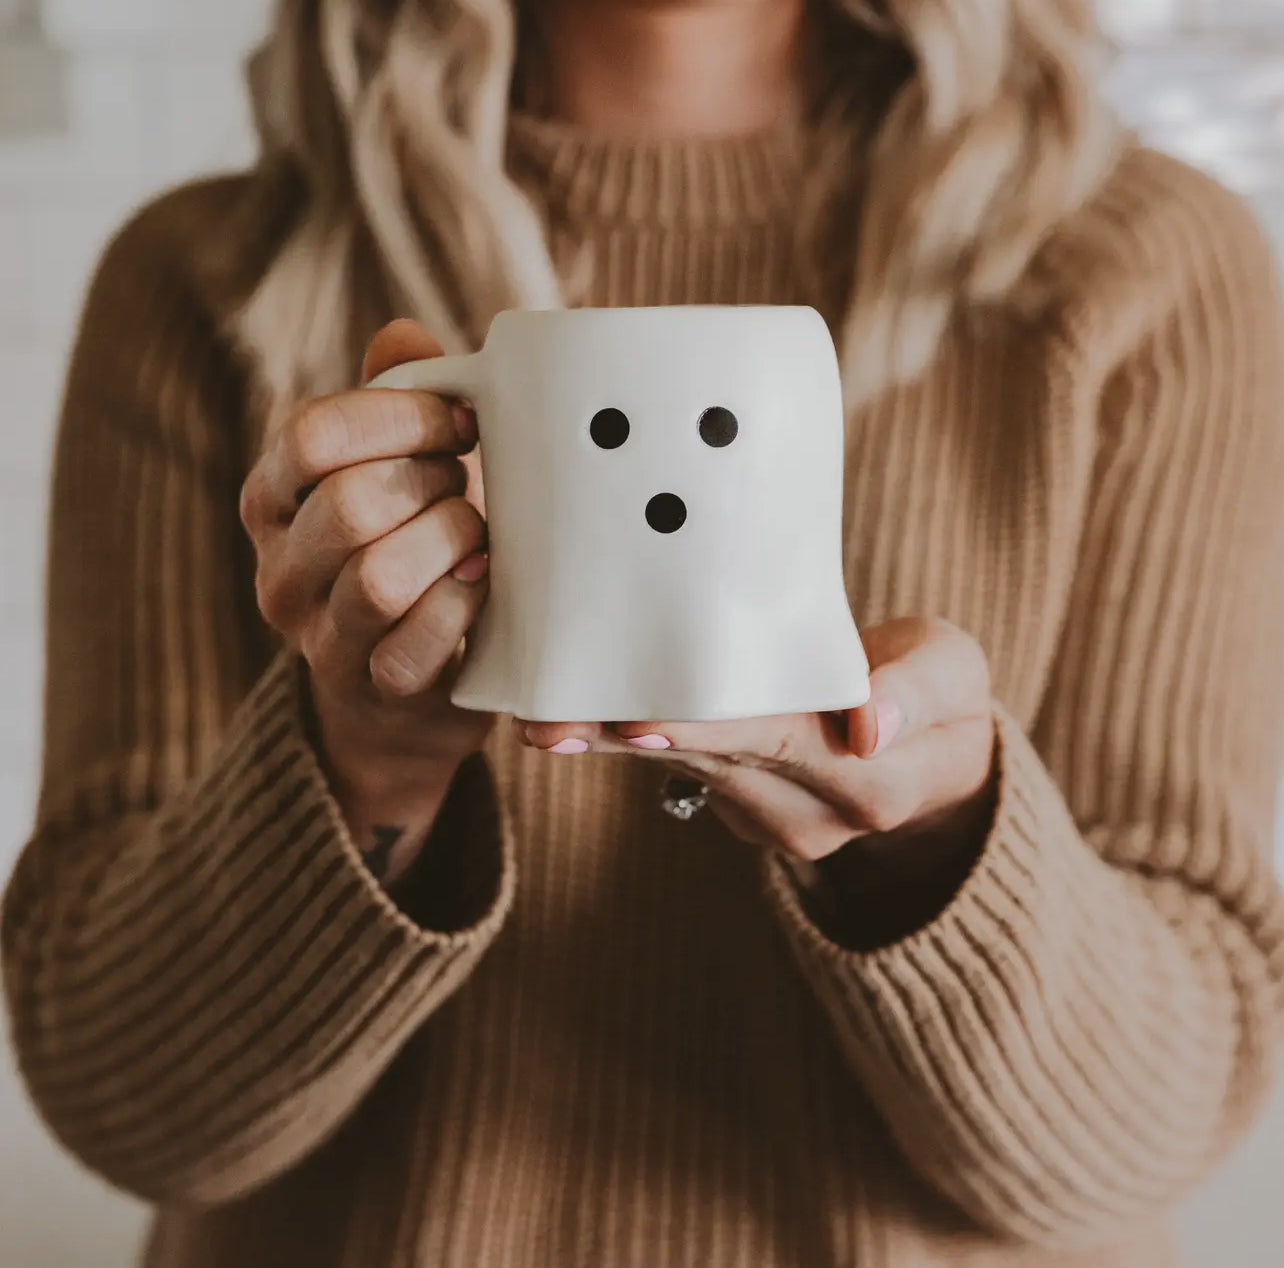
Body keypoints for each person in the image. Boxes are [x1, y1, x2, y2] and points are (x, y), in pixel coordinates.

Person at [4, 0, 1283, 1264]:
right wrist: (366, 757)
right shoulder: (205, 279)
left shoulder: (1151, 266)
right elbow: (131, 1104)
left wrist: (933, 845)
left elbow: (1164, 1118)